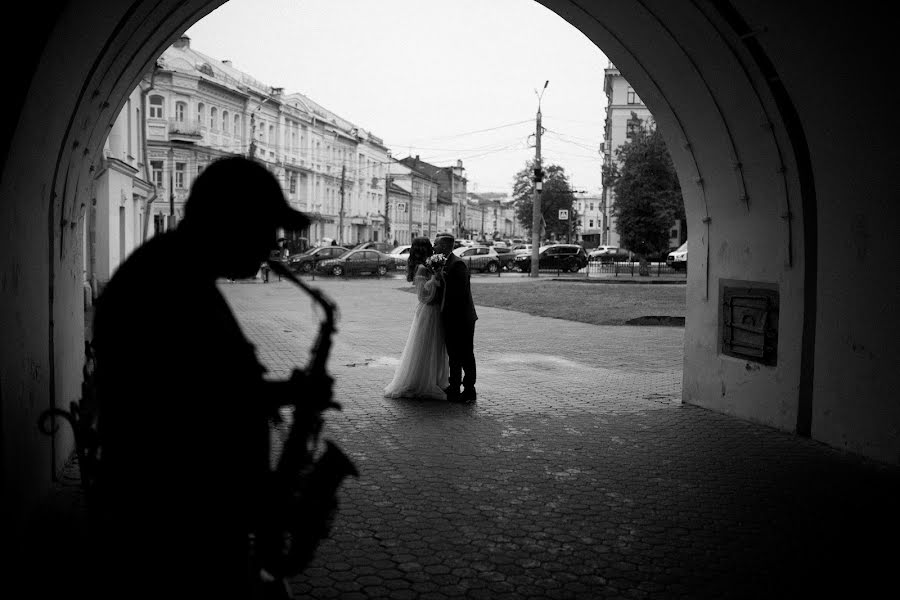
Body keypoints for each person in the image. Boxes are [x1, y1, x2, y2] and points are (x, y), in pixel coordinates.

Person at [90, 156, 332, 599]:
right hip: (178, 529)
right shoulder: (167, 287)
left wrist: (288, 392)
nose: (274, 243)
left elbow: (208, 389)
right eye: (267, 227)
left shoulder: (177, 274)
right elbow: (188, 413)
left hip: (190, 519)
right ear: (231, 221)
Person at [383, 237, 449, 400]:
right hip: (429, 311)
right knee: (426, 347)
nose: (434, 249)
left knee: (431, 347)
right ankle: (423, 381)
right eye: (430, 246)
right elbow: (424, 295)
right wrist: (436, 280)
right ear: (425, 249)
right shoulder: (421, 268)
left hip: (430, 311)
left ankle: (432, 378)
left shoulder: (426, 266)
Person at [433, 233, 478, 403]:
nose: (433, 247)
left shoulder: (457, 265)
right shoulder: (444, 263)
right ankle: (454, 387)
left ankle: (469, 389)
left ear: (444, 247)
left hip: (462, 318)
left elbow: (458, 295)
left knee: (465, 353)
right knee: (453, 354)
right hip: (451, 316)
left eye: (436, 244)